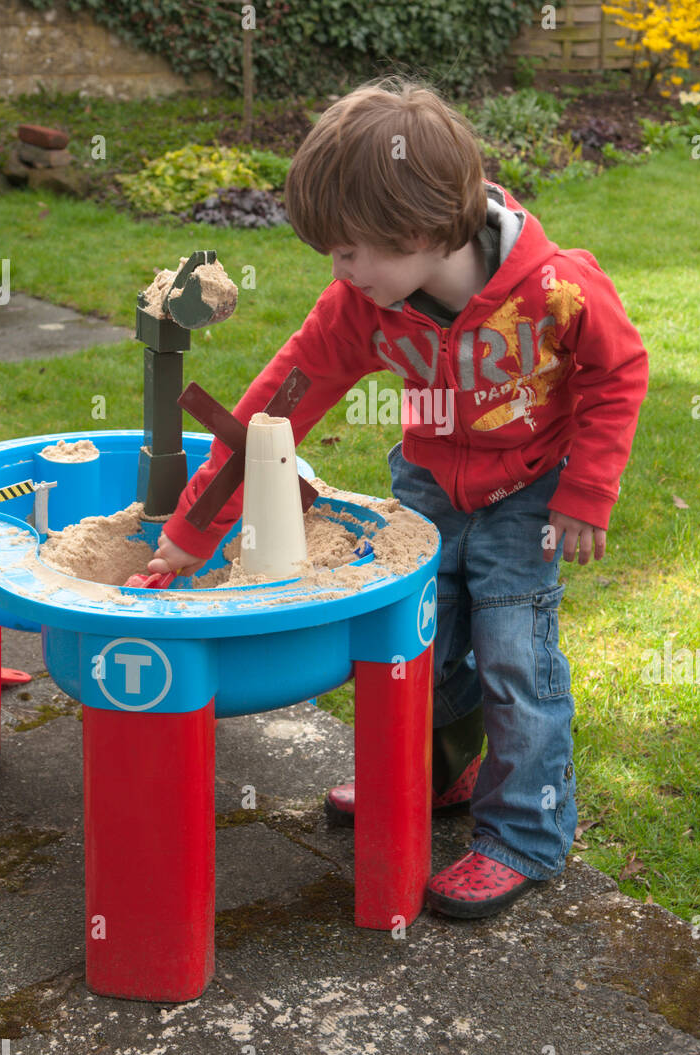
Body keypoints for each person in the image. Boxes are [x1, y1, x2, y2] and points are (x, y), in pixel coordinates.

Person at [147, 74, 649, 920]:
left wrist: (586, 494)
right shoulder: (360, 307)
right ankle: (439, 773)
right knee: (424, 640)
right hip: (428, 486)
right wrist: (193, 533)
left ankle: (525, 834)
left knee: (513, 657)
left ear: (413, 231)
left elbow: (617, 370)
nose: (336, 271)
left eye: (347, 251)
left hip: (529, 494)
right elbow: (273, 413)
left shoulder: (556, 290)